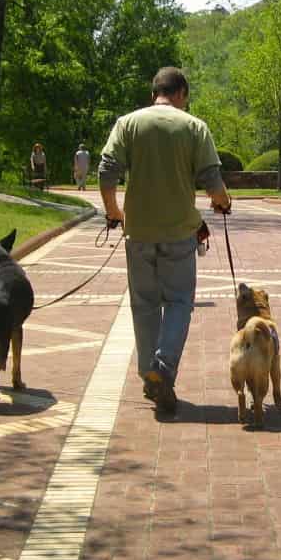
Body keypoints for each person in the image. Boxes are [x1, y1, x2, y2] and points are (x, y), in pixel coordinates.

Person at [99, 66, 231, 414]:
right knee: (178, 302)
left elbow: (106, 171)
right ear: (182, 94)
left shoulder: (127, 123)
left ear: (153, 93)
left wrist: (114, 212)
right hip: (178, 233)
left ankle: (149, 375)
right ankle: (163, 367)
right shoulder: (194, 127)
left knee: (144, 305)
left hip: (138, 231)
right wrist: (223, 203)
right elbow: (212, 182)